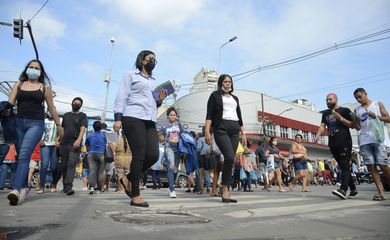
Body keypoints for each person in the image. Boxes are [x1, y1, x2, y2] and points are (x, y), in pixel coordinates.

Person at [113, 50, 167, 207]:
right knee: (140, 155)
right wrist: (117, 119)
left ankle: (127, 178)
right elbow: (121, 96)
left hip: (150, 119)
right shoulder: (130, 75)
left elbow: (152, 103)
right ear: (142, 60)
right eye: (150, 59)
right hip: (132, 117)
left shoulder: (153, 81)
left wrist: (160, 101)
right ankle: (135, 195)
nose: (153, 62)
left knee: (153, 155)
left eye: (155, 60)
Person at [7, 59, 62, 206]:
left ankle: (16, 189)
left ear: (40, 72)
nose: (33, 69)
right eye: (30, 67)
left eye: (36, 68)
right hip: (18, 123)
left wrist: (59, 125)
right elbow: (10, 102)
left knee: (25, 154)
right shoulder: (18, 84)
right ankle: (24, 187)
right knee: (21, 158)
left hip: (36, 124)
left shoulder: (44, 87)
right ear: (26, 69)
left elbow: (52, 108)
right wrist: (5, 110)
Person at [204, 74, 245, 203]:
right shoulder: (215, 96)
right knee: (228, 156)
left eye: (229, 82)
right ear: (221, 83)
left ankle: (225, 186)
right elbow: (209, 114)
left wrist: (243, 132)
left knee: (230, 160)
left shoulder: (235, 98)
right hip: (221, 128)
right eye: (225, 81)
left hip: (235, 129)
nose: (228, 84)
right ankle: (225, 189)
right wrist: (207, 131)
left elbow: (239, 115)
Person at [315, 93, 357, 199]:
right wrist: (318, 135)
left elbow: (354, 125)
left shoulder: (345, 110)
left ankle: (343, 190)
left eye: (330, 99)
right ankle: (353, 189)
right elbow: (322, 126)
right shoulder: (325, 113)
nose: (328, 101)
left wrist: (341, 118)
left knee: (344, 165)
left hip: (344, 142)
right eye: (326, 100)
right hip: (333, 143)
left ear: (336, 99)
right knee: (343, 166)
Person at [353, 88, 390, 201]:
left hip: (378, 140)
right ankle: (381, 193)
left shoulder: (377, 104)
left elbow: (388, 119)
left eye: (360, 97)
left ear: (365, 94)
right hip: (364, 141)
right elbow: (358, 127)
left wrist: (377, 116)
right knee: (371, 167)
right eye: (356, 98)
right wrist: (354, 123)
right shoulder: (357, 110)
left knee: (383, 165)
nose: (359, 100)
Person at [59, 97, 88, 196]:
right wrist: (58, 139)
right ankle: (65, 186)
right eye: (74, 102)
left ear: (80, 106)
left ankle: (68, 187)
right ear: (71, 103)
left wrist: (79, 140)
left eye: (78, 103)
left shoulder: (83, 116)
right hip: (64, 144)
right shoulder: (66, 115)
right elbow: (63, 130)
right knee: (63, 166)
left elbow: (82, 129)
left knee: (71, 164)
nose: (76, 104)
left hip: (75, 144)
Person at [160, 107, 183, 198]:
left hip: (178, 148)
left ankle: (170, 185)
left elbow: (183, 134)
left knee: (175, 169)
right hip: (168, 147)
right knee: (171, 166)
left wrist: (179, 122)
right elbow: (160, 136)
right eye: (171, 115)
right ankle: (172, 190)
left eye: (174, 115)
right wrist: (162, 138)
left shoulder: (179, 126)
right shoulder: (164, 127)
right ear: (168, 116)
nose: (173, 116)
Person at [37, 112, 60, 194]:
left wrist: (58, 140)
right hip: (45, 145)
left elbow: (61, 132)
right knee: (44, 164)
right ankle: (42, 187)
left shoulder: (58, 121)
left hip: (54, 146)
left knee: (54, 167)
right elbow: (38, 131)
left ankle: (53, 184)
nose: (51, 113)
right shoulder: (43, 121)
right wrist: (40, 140)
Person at [85, 121, 106, 194]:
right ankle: (100, 188)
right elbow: (106, 143)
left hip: (91, 154)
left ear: (93, 127)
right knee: (100, 172)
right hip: (101, 154)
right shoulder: (104, 135)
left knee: (92, 171)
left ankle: (91, 187)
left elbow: (87, 145)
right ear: (101, 127)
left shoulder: (89, 135)